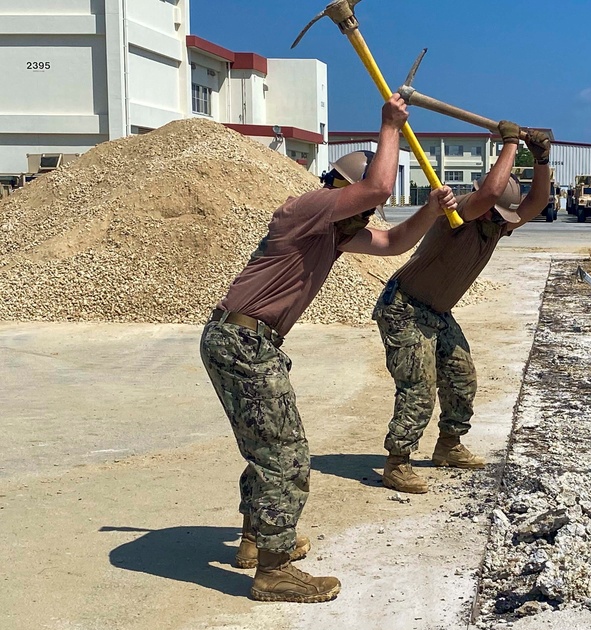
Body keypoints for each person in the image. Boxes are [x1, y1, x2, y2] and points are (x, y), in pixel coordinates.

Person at [200, 94, 458, 602]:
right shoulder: (309, 209)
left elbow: (393, 244)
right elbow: (378, 185)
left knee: (264, 448)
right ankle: (273, 572)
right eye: (364, 209)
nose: (368, 219)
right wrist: (388, 125)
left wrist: (428, 211)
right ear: (343, 192)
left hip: (244, 341)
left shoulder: (332, 234)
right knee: (285, 453)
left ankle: (256, 540)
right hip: (242, 341)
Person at [373, 121, 552, 494]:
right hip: (404, 308)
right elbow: (488, 194)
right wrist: (509, 143)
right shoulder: (459, 216)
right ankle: (397, 463)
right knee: (419, 386)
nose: (496, 220)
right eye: (494, 214)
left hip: (437, 314)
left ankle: (448, 446)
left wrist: (541, 160)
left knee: (461, 378)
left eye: (501, 217)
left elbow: (537, 203)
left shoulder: (496, 228)